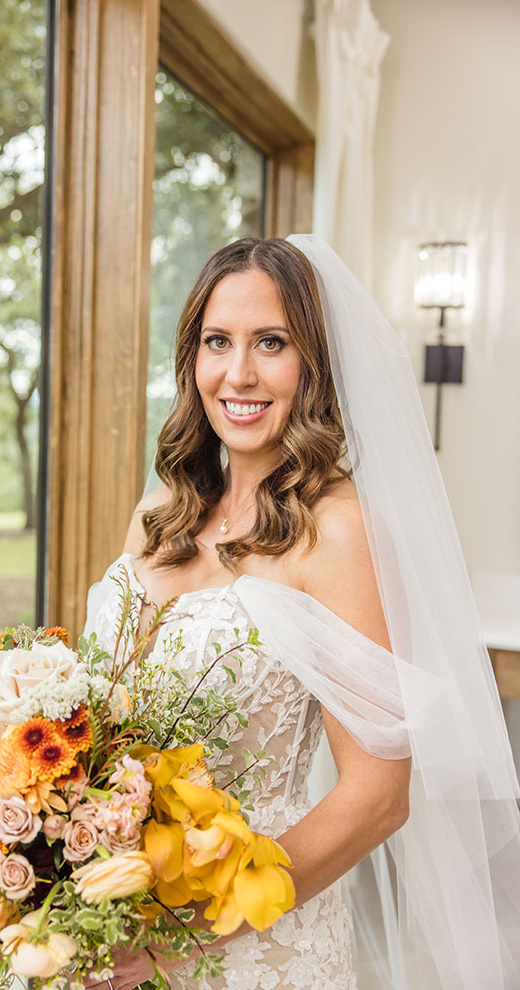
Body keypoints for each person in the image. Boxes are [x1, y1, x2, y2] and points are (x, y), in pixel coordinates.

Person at [84, 236, 520, 990]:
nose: (239, 373)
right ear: (193, 359)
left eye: (272, 343)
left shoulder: (341, 530)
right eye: (218, 342)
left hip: (254, 942)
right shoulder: (156, 517)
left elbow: (378, 799)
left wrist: (182, 937)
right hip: (115, 913)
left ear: (312, 365)